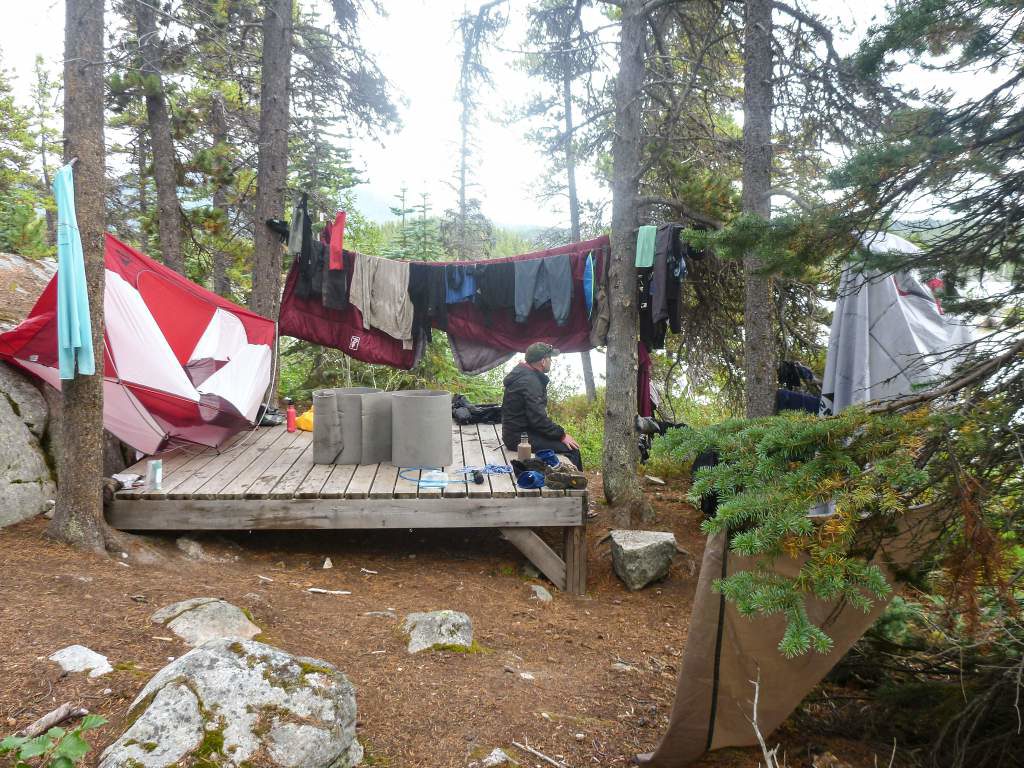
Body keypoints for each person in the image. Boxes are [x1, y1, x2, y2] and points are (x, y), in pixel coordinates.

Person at [501, 342, 583, 470]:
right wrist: (561, 435)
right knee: (571, 450)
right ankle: (572, 484)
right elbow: (538, 419)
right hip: (519, 438)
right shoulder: (530, 381)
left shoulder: (522, 374)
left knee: (563, 445)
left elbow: (535, 418)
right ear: (543, 361)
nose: (551, 362)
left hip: (515, 433)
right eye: (550, 358)